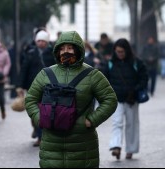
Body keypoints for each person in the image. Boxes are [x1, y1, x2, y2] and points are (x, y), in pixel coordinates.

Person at [25, 31, 117, 168]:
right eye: (61, 48)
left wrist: (92, 120)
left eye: (69, 48)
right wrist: (40, 119)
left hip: (82, 143)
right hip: (52, 144)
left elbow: (110, 100)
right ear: (56, 51)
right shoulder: (45, 74)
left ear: (78, 49)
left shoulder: (93, 75)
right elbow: (30, 99)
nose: (65, 52)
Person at [107, 38, 148, 160]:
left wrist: (135, 89)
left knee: (132, 124)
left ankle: (130, 149)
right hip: (116, 98)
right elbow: (105, 79)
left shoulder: (137, 63)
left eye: (122, 52)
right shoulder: (110, 63)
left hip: (131, 99)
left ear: (127, 51)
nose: (119, 54)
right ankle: (116, 146)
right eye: (117, 52)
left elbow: (144, 78)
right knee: (116, 123)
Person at [17, 30, 56, 147]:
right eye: (39, 40)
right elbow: (24, 70)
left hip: (49, 88)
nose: (41, 43)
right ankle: (38, 131)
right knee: (34, 112)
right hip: (33, 87)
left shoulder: (53, 54)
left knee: (46, 112)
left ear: (47, 42)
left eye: (43, 41)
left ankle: (42, 136)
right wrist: (19, 86)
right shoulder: (30, 53)